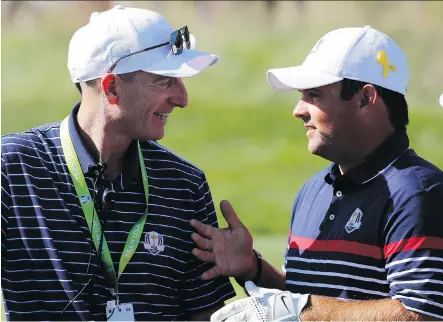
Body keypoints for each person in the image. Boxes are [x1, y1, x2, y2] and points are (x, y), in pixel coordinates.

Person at [190, 25, 443, 321]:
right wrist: (255, 270)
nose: (298, 110)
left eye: (314, 95)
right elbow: (309, 296)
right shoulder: (313, 190)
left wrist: (302, 310)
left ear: (365, 99)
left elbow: (422, 314)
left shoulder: (417, 193)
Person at [1, 5, 236, 321]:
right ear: (112, 87)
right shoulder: (13, 168)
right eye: (166, 81)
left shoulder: (185, 183)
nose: (183, 99)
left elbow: (204, 314)